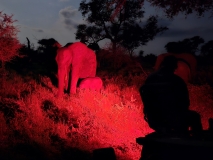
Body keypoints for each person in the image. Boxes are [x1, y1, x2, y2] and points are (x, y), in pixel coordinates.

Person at [140, 55, 202, 137]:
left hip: (154, 119)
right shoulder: (177, 81)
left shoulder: (150, 78)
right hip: (174, 118)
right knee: (195, 117)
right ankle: (196, 141)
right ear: (175, 67)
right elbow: (185, 103)